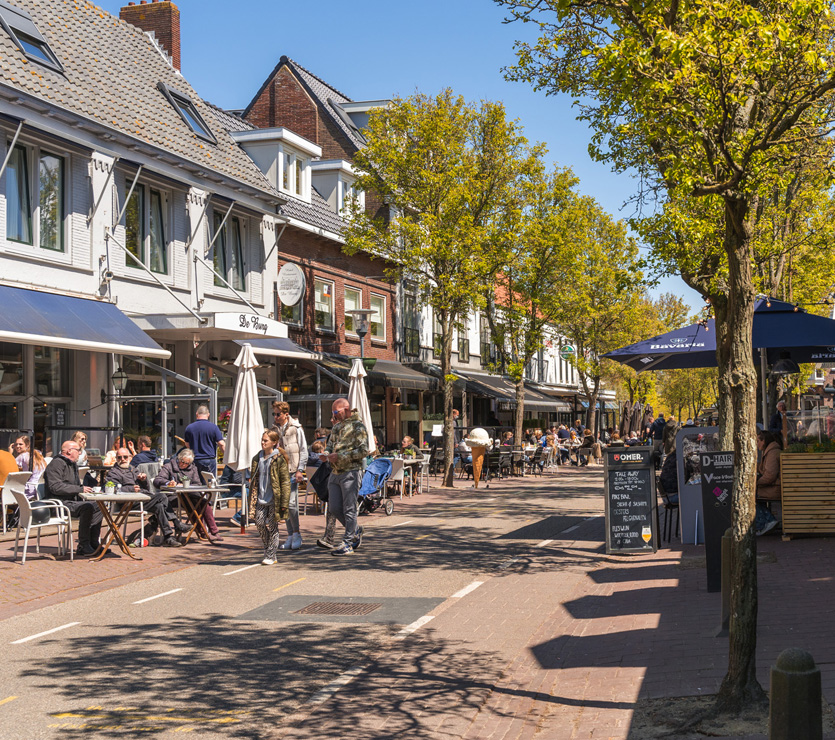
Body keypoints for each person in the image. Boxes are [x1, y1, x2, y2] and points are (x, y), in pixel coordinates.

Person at [105, 448, 182, 547]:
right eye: (119, 457)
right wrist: (131, 489)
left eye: (125, 457)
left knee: (159, 506)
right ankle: (176, 523)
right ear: (116, 458)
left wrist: (144, 480)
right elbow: (112, 488)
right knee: (162, 496)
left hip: (142, 499)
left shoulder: (133, 469)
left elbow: (146, 488)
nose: (122, 459)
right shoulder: (114, 472)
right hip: (128, 503)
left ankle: (168, 537)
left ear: (130, 457)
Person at [322, 398, 369, 556]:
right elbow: (329, 445)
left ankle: (348, 542)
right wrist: (326, 454)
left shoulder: (358, 426)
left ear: (346, 409)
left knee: (349, 509)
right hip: (335, 472)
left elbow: (364, 451)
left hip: (350, 471)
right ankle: (355, 530)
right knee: (334, 508)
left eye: (336, 412)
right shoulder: (336, 427)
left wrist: (340, 456)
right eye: (333, 413)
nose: (334, 416)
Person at [43, 440, 101, 556]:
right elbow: (55, 487)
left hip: (70, 502)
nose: (80, 453)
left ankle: (93, 542)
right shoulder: (57, 464)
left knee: (99, 505)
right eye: (78, 450)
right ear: (69, 451)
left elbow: (71, 485)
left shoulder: (71, 464)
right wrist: (79, 489)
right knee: (87, 507)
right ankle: (83, 545)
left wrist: (85, 491)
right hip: (58, 504)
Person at [154, 449, 222, 543]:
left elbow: (198, 484)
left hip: (190, 495)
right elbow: (157, 480)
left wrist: (186, 485)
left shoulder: (193, 468)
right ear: (179, 459)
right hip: (174, 497)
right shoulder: (169, 467)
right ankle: (203, 532)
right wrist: (168, 482)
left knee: (204, 503)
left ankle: (214, 531)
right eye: (183, 462)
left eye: (187, 463)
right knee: (192, 504)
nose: (184, 465)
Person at [249, 429, 291, 565]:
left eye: (265, 440)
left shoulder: (279, 459)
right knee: (260, 523)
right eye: (262, 440)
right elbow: (255, 477)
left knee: (272, 526)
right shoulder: (257, 458)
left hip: (274, 498)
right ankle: (268, 548)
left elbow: (285, 481)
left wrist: (284, 502)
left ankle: (271, 555)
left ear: (274, 442)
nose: (262, 442)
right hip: (260, 497)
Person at [272, 401, 308, 551]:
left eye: (278, 414)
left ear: (286, 414)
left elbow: (304, 450)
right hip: (280, 471)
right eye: (274, 414)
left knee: (292, 503)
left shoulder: (296, 428)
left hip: (292, 470)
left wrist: (300, 469)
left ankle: (297, 533)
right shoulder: (275, 430)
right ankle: (290, 534)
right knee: (284, 504)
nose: (275, 417)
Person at [184, 405, 225, 477]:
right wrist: (225, 455)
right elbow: (221, 443)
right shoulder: (213, 427)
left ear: (197, 414)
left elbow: (187, 444)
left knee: (196, 483)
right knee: (209, 483)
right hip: (209, 460)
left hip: (195, 459)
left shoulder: (189, 428)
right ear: (208, 414)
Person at [755, 430, 782, 535]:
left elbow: (769, 476)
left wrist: (755, 483)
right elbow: (765, 470)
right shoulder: (769, 451)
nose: (757, 444)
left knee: (750, 496)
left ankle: (765, 522)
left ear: (764, 441)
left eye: (758, 441)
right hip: (773, 486)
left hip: (774, 488)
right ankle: (768, 520)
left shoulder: (772, 453)